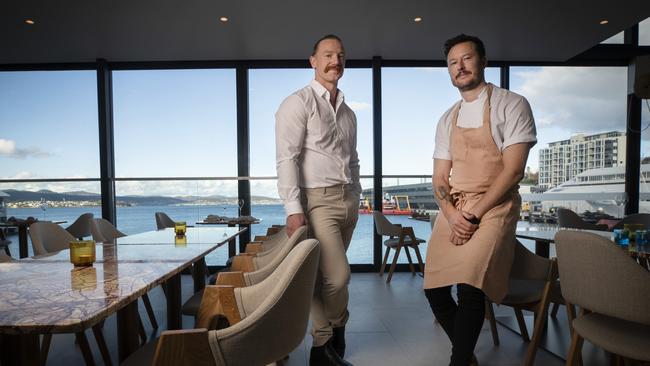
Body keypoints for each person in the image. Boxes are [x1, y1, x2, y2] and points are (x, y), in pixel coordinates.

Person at [424, 34, 537, 366]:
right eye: (453, 62)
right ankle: (467, 356)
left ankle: (459, 361)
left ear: (483, 61)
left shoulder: (512, 104)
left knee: (471, 286)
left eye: (467, 58)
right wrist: (450, 212)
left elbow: (514, 170)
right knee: (435, 289)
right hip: (454, 207)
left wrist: (474, 214)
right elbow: (440, 178)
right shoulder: (447, 118)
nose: (460, 67)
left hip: (495, 205)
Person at [275, 34, 360, 366]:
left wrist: (357, 193)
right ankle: (332, 332)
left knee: (324, 276)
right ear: (313, 61)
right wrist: (293, 209)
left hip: (348, 200)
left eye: (340, 55)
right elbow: (286, 159)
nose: (334, 61)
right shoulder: (297, 103)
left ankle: (321, 351)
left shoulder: (350, 113)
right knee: (339, 277)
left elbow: (352, 159)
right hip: (317, 201)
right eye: (327, 55)